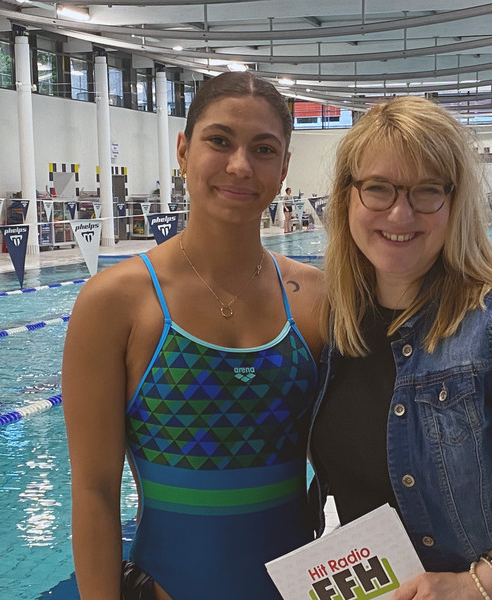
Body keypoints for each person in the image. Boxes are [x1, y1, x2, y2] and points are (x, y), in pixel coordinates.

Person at [63, 71, 324, 600]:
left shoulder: (315, 297)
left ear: (284, 169)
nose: (239, 166)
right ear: (183, 151)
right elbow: (93, 491)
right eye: (219, 141)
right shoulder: (116, 302)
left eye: (264, 148)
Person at [308, 95, 492, 600]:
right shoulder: (334, 330)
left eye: (427, 191)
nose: (400, 212)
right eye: (379, 189)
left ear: (455, 203)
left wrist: (478, 585)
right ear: (348, 196)